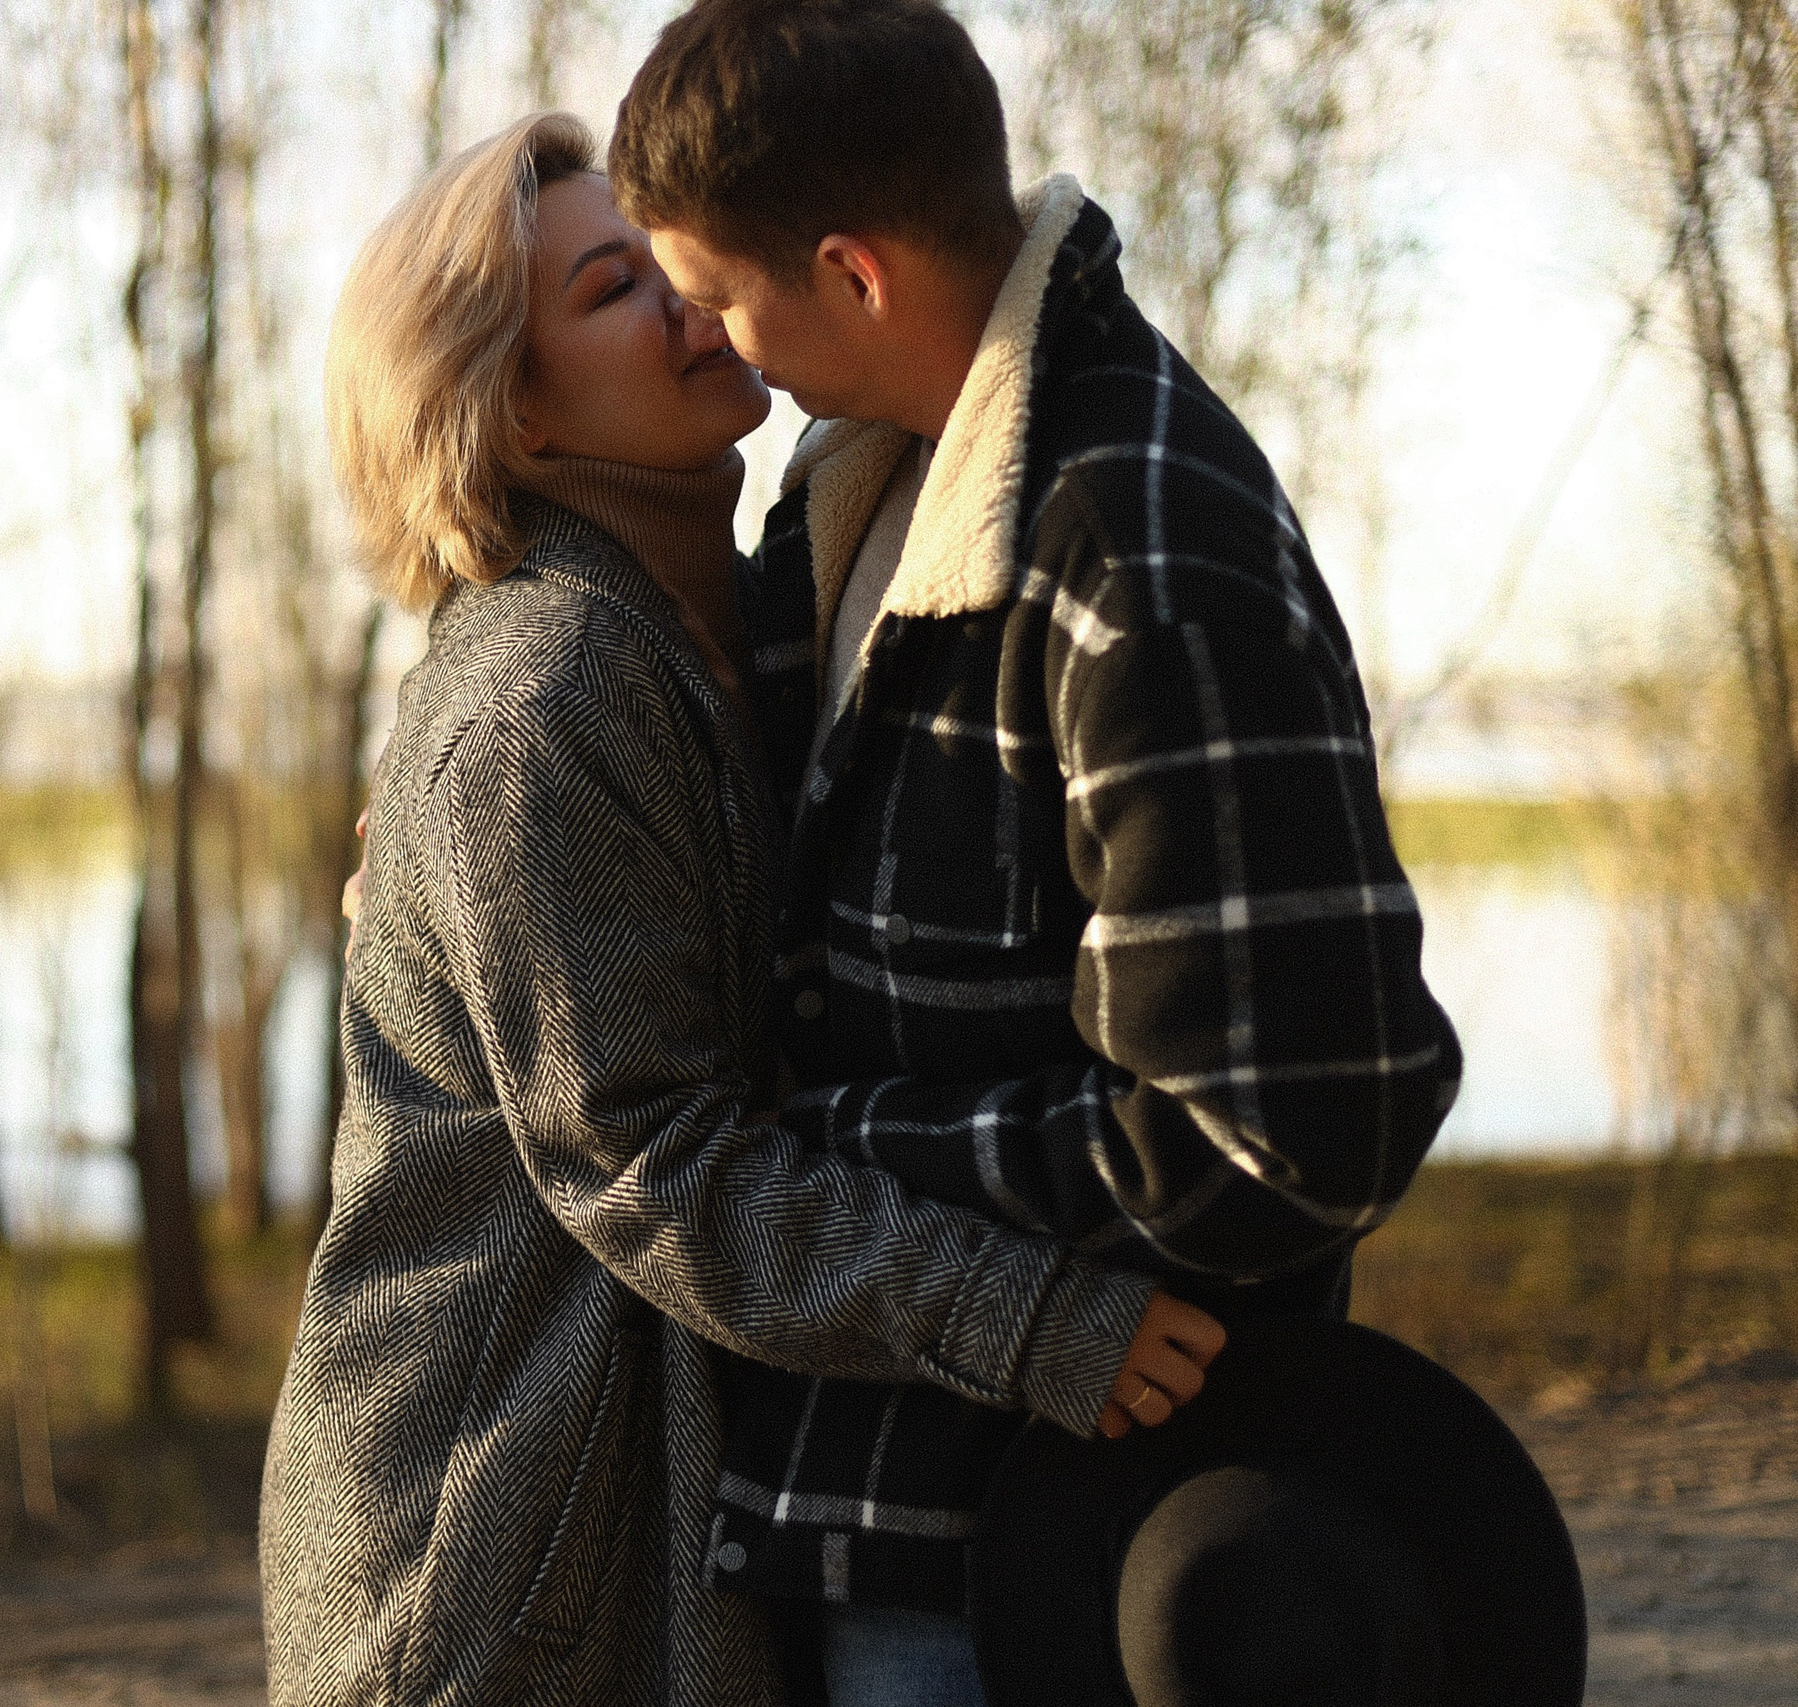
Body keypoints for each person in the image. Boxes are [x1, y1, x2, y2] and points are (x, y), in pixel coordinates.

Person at [261, 112, 1223, 1707]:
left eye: (663, 260)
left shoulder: (725, 624)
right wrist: (1033, 1320)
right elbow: (655, 1165)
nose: (692, 300)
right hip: (491, 1548)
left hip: (638, 1496)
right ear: (511, 408)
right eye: (612, 287)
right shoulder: (537, 708)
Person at [603, 0, 1463, 1699]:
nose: (713, 345)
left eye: (713, 295)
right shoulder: (869, 494)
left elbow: (1299, 1120)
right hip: (894, 1500)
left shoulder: (1138, 535)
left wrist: (845, 1143)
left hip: (1056, 1540)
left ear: (850, 274)